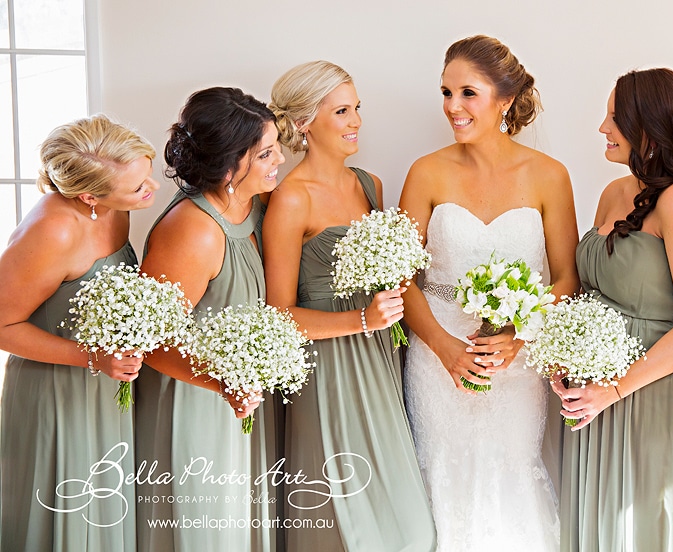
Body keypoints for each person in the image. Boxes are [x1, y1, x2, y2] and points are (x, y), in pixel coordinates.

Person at [399, 35, 580, 551]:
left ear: (505, 100)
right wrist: (443, 346)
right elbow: (404, 279)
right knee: (440, 482)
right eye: (446, 92)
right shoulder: (426, 171)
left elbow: (566, 279)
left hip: (516, 367)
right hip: (437, 360)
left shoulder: (550, 176)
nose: (452, 107)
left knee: (511, 475)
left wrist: (521, 338)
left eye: (467, 94)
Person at [264, 60, 437, 551]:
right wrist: (361, 319)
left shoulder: (369, 185)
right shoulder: (290, 200)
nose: (356, 120)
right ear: (303, 123)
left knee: (405, 519)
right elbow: (278, 315)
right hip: (330, 370)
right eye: (342, 110)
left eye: (356, 108)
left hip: (381, 357)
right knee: (347, 511)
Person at [551, 68, 673, 552]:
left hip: (657, 393)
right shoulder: (613, 193)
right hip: (594, 396)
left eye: (614, 117)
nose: (603, 129)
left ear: (647, 127)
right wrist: (564, 355)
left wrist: (615, 389)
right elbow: (591, 290)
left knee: (647, 529)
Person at [135, 87, 285, 552]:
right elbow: (151, 344)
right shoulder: (194, 232)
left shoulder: (257, 205)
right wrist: (225, 386)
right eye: (265, 153)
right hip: (195, 404)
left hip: (241, 401)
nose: (279, 158)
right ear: (227, 168)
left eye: (275, 144)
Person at [0, 115, 158, 550]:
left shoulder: (115, 208)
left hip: (107, 385)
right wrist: (93, 358)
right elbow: (2, 325)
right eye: (138, 187)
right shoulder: (54, 231)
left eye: (148, 173)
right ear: (89, 195)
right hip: (55, 392)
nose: (152, 189)